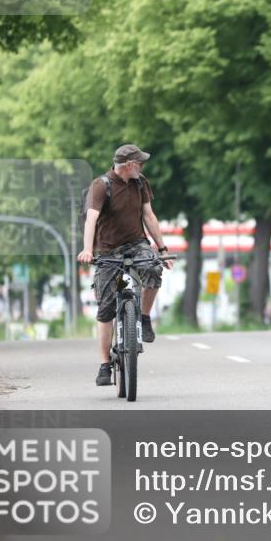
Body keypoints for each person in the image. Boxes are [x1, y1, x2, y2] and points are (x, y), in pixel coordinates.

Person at [77, 144, 174, 387]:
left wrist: (162, 249)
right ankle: (104, 365)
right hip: (108, 250)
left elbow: (149, 216)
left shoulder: (140, 182)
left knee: (153, 268)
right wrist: (88, 250)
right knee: (106, 308)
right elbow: (91, 220)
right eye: (139, 163)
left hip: (136, 243)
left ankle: (143, 317)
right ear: (128, 165)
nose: (142, 167)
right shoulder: (101, 186)